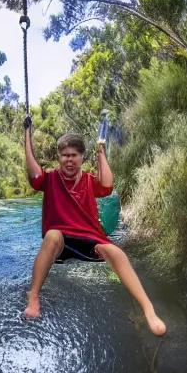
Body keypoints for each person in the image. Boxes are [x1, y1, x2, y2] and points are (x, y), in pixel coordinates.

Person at [23, 116, 166, 336]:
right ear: (59, 157)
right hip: (61, 242)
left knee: (115, 252)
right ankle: (33, 297)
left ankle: (148, 309)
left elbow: (107, 186)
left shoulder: (90, 181)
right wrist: (27, 135)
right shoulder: (49, 179)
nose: (68, 160)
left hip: (90, 241)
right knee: (52, 235)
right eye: (64, 156)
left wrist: (101, 154)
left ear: (81, 157)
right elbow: (33, 174)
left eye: (73, 156)